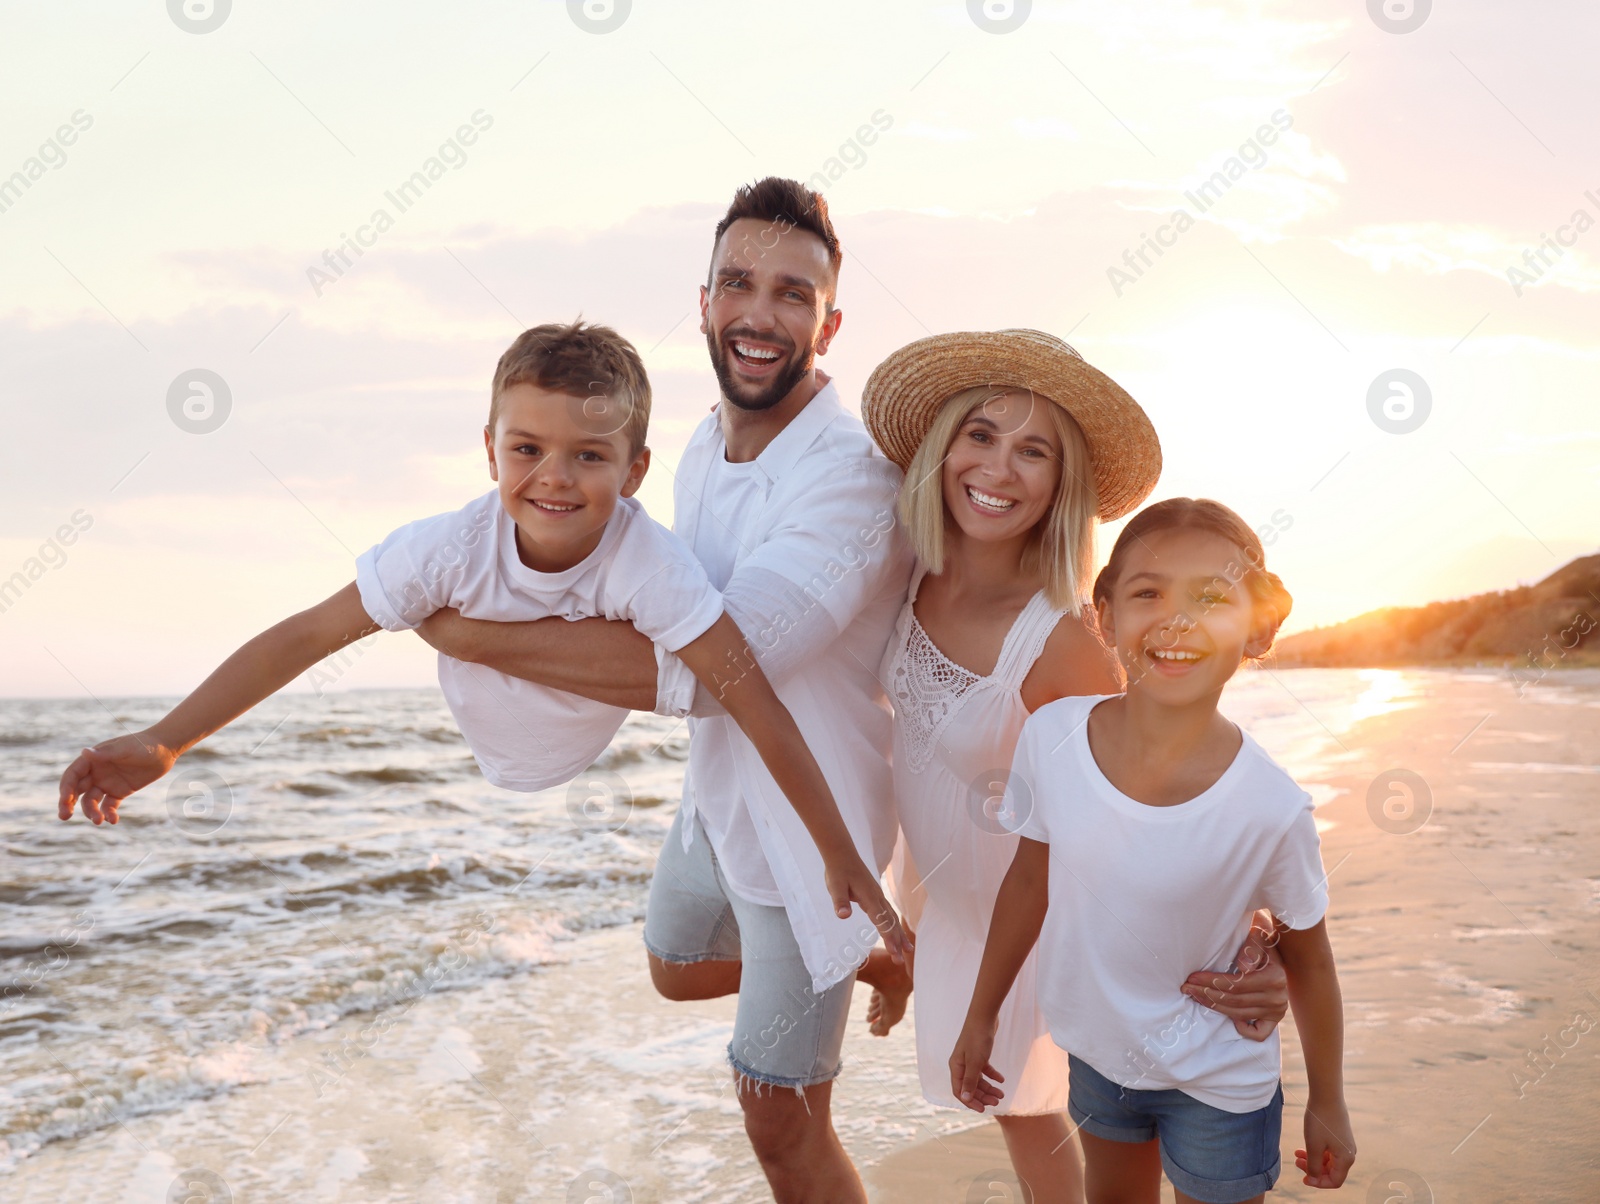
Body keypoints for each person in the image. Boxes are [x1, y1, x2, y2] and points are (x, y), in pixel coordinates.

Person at [55, 318, 909, 971]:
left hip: (579, 724)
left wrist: (836, 849)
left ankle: (859, 965)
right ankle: (861, 970)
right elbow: (306, 635)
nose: (555, 478)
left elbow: (752, 696)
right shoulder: (449, 547)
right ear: (490, 451)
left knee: (690, 644)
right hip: (485, 728)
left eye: (589, 455)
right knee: (674, 974)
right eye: (527, 449)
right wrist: (165, 739)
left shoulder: (652, 562)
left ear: (636, 468)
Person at [408, 178, 914, 1202]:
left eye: (790, 293)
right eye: (738, 283)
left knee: (778, 1114)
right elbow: (653, 608)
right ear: (703, 301)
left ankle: (842, 939)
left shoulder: (850, 483)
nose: (759, 314)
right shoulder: (692, 444)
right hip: (721, 797)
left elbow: (723, 671)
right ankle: (867, 957)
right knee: (675, 964)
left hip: (815, 838)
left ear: (829, 321)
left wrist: (469, 629)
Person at [859, 333, 1292, 1204]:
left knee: (1099, 1146)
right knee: (1024, 1118)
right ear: (943, 446)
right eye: (981, 435)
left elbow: (1157, 776)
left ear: (1062, 485)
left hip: (1055, 925)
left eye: (1034, 451)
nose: (1000, 468)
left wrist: (1260, 927)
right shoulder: (906, 571)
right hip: (962, 915)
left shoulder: (1058, 639)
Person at [951, 497, 1357, 1204]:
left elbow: (1309, 958)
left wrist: (1329, 1099)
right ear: (1103, 615)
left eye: (1211, 598)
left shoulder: (1271, 805)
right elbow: (1028, 882)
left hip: (1219, 1080)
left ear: (1259, 627)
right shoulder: (1051, 737)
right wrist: (980, 1015)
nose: (1178, 621)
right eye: (1148, 593)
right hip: (1101, 1059)